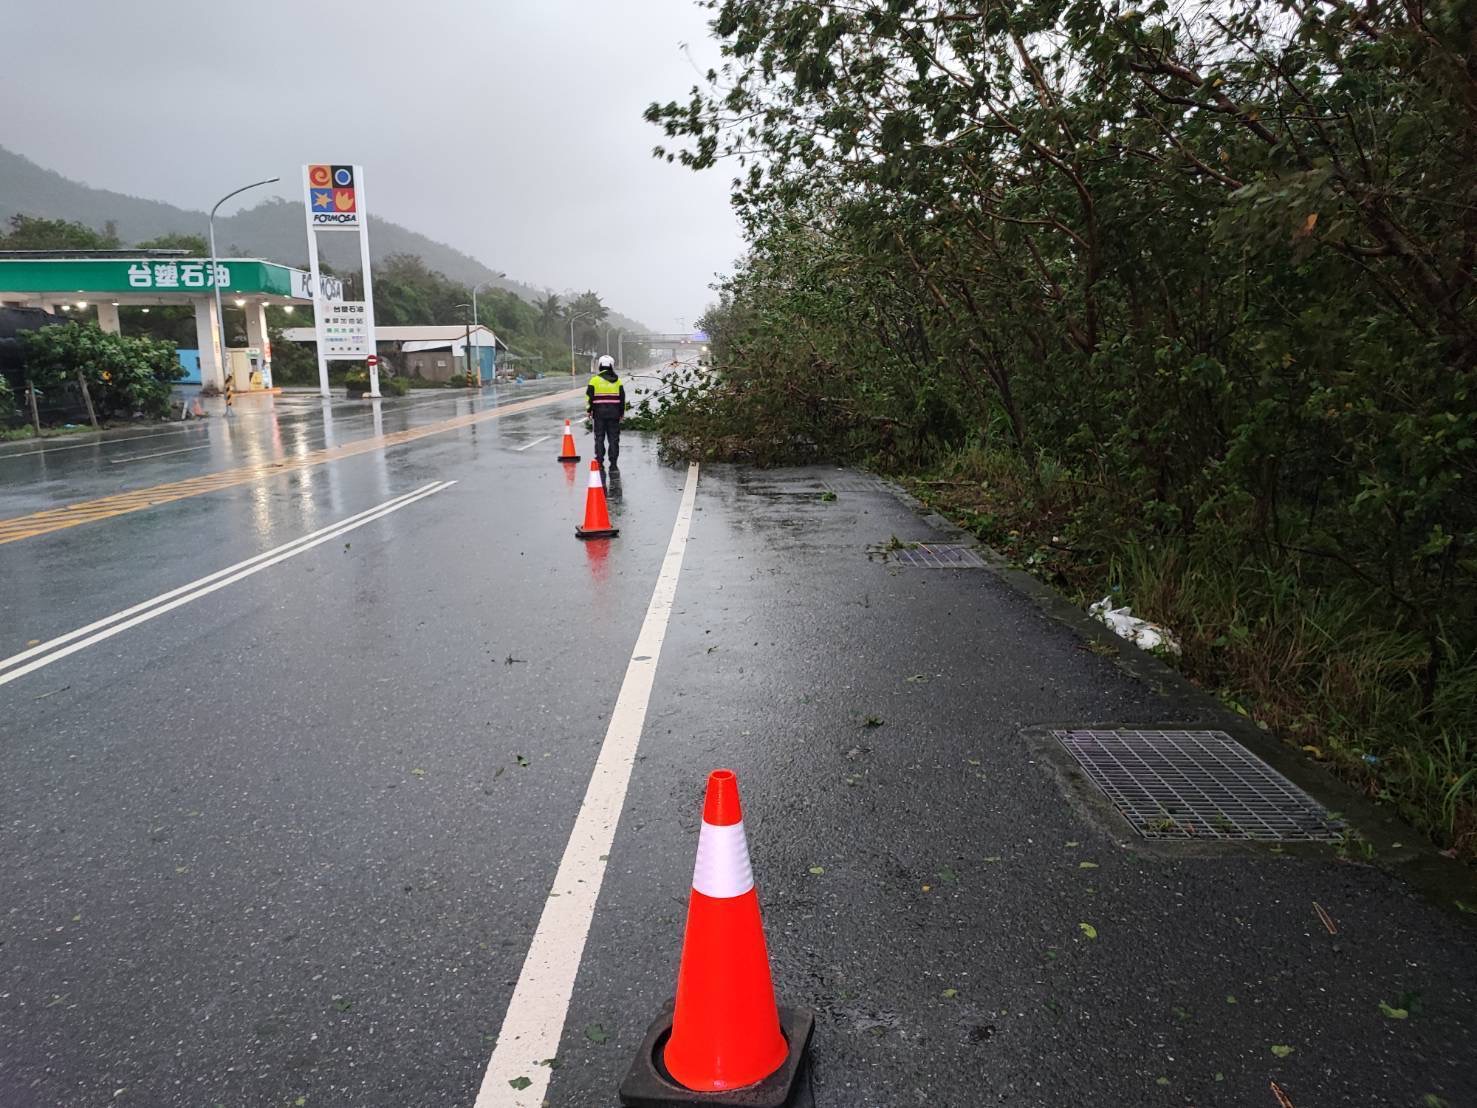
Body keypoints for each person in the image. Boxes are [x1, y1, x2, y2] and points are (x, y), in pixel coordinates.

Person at [586, 354, 626, 470]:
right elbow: (622, 399)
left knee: (599, 437)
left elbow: (589, 397)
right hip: (614, 415)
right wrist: (621, 413)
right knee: (613, 438)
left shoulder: (594, 381)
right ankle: (613, 463)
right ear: (612, 366)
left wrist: (589, 410)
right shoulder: (618, 381)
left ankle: (599, 461)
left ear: (600, 366)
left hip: (599, 415)